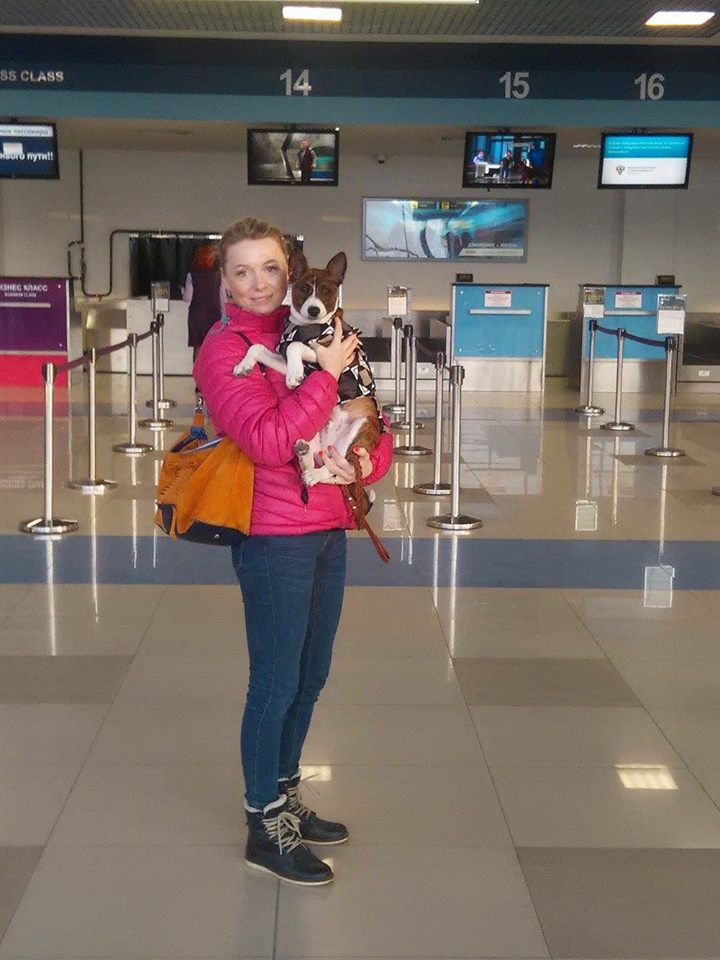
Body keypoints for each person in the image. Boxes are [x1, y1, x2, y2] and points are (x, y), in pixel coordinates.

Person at [193, 217, 393, 887]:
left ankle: (285, 794)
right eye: (241, 271)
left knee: (311, 675)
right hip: (273, 534)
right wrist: (323, 376)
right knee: (276, 681)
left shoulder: (318, 329)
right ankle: (263, 823)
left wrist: (362, 464)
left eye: (270, 268)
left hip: (328, 524)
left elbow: (373, 420)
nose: (258, 283)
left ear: (291, 273)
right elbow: (268, 442)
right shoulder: (225, 350)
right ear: (224, 281)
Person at [183, 244, 223, 362]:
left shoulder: (191, 275)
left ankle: (197, 371)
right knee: (213, 345)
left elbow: (187, 298)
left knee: (198, 347)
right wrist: (224, 317)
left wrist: (182, 291)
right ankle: (210, 370)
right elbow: (223, 298)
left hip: (196, 315)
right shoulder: (218, 275)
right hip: (214, 315)